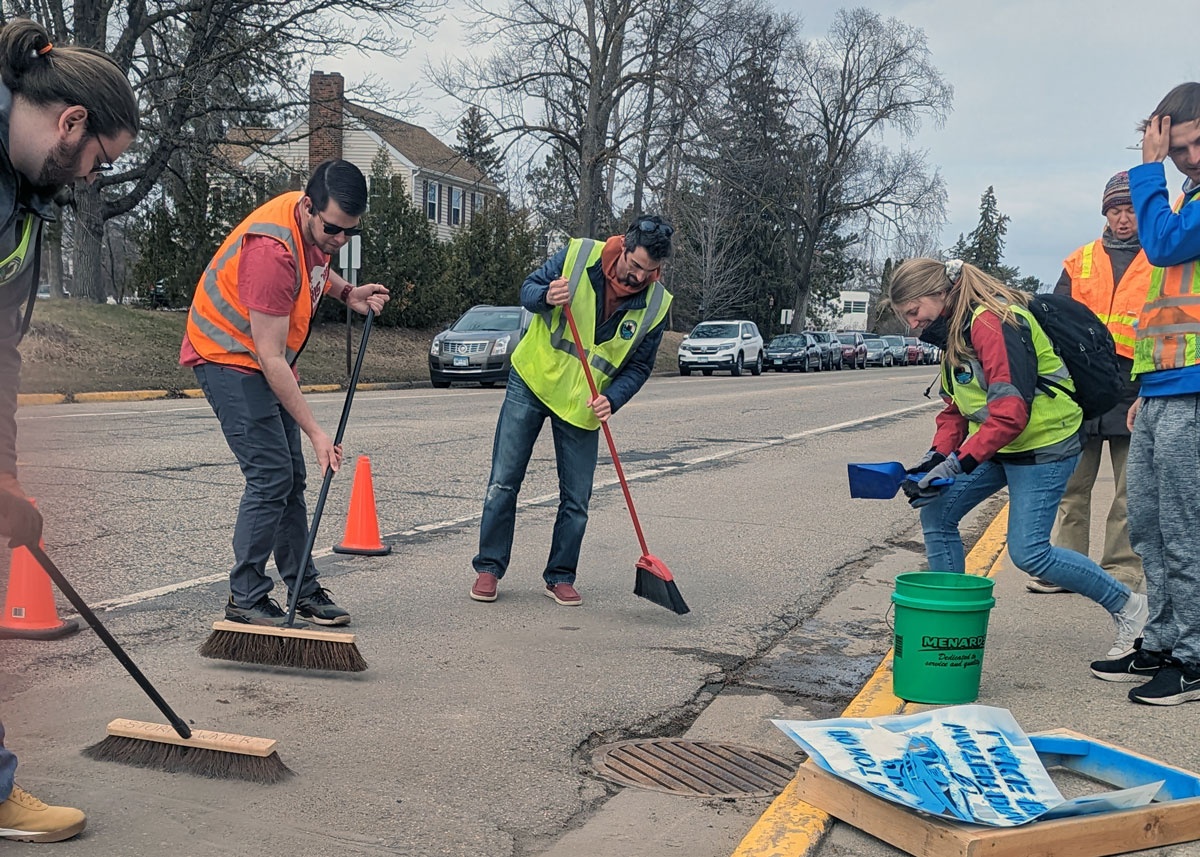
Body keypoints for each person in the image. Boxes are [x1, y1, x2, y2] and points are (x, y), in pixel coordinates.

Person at [0, 17, 137, 843]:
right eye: (101, 160)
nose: (94, 176)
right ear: (72, 123)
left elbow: (2, 353)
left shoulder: (28, 200)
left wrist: (7, 475)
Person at [888, 257, 1147, 665]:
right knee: (936, 511)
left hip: (1046, 441)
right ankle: (949, 625)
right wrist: (935, 459)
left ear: (939, 295)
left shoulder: (992, 324)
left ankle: (1133, 609)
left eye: (914, 312)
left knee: (1030, 553)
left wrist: (957, 465)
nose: (913, 324)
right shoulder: (954, 331)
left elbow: (1011, 413)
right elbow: (957, 408)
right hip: (1005, 443)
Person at [181, 159, 389, 628]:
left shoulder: (310, 227)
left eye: (350, 234)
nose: (339, 240)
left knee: (290, 478)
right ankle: (246, 597)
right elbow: (272, 359)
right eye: (334, 229)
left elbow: (313, 268)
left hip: (261, 360)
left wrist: (347, 293)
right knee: (272, 475)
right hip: (226, 355)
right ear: (310, 206)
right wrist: (316, 432)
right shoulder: (270, 252)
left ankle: (302, 588)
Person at [469, 216, 674, 606]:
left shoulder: (657, 305)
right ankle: (488, 568)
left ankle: (560, 575)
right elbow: (527, 290)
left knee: (577, 499)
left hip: (584, 404)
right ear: (624, 247)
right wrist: (546, 296)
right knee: (503, 482)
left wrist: (613, 400)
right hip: (532, 380)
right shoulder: (579, 255)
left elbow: (639, 367)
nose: (637, 277)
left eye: (649, 272)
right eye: (634, 266)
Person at [1091, 82, 1200, 705]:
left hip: (1195, 392)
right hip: (1166, 388)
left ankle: (1193, 657)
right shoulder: (1185, 196)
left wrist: (1148, 168)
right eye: (1177, 149)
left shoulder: (1177, 202)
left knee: (1186, 528)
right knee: (1150, 526)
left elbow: (1161, 245)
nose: (1187, 158)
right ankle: (1161, 639)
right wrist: (1146, 387)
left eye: (1194, 146)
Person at [1028, 172, 1147, 594]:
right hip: (1083, 389)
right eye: (1115, 210)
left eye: (1130, 209)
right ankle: (1066, 566)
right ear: (1105, 213)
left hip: (1137, 386)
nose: (1122, 218)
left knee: (1131, 491)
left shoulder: (1161, 259)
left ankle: (1121, 570)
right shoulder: (1079, 261)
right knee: (1071, 484)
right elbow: (1052, 324)